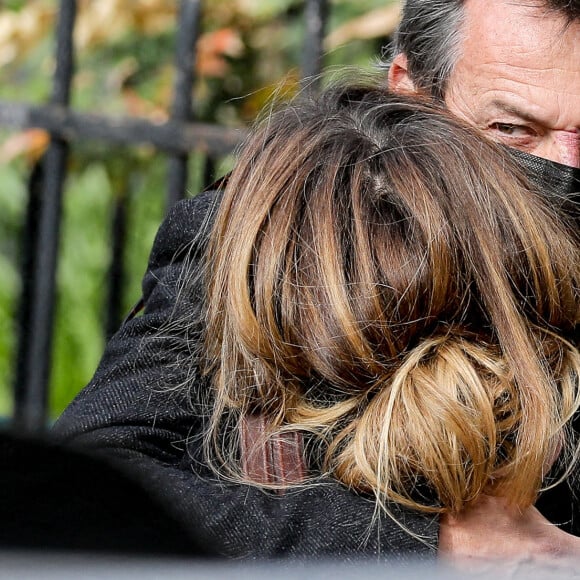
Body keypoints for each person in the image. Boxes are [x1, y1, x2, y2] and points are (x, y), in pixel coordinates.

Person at [53, 0, 580, 562]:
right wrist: (428, 545)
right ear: (412, 94)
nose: (566, 168)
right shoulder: (274, 245)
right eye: (513, 128)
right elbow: (79, 493)